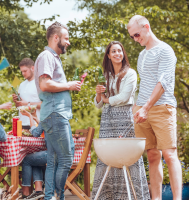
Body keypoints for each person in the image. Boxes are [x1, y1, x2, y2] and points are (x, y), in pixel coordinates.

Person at [127, 15, 181, 199]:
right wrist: (137, 106)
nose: (135, 39)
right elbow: (146, 83)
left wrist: (146, 107)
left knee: (169, 154)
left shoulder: (165, 50)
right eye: (132, 37)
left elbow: (163, 82)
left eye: (136, 34)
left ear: (146, 27)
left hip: (161, 107)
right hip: (142, 109)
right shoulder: (142, 54)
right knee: (152, 155)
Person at [91, 41, 150, 199]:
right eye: (114, 51)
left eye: (120, 51)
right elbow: (98, 104)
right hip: (107, 119)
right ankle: (107, 196)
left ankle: (132, 195)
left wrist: (106, 100)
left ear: (123, 54)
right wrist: (98, 94)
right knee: (107, 156)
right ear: (108, 56)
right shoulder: (106, 76)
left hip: (124, 117)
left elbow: (124, 97)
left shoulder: (130, 73)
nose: (118, 54)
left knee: (127, 156)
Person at [34, 21, 82, 200]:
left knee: (53, 161)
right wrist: (68, 85)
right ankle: (58, 196)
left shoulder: (53, 58)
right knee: (66, 159)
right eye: (66, 38)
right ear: (56, 38)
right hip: (55, 114)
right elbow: (45, 84)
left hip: (54, 114)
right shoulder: (47, 56)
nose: (68, 42)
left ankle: (49, 197)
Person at [20, 109, 47, 200]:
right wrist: (36, 119)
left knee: (27, 159)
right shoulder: (57, 115)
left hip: (52, 154)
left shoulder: (48, 116)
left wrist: (30, 117)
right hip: (64, 154)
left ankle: (26, 192)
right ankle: (38, 191)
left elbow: (35, 133)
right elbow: (46, 126)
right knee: (35, 158)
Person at [12, 58, 42, 129]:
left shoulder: (40, 84)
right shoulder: (22, 85)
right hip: (22, 123)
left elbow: (44, 104)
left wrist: (27, 103)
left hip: (36, 123)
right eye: (22, 71)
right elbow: (18, 106)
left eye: (25, 71)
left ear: (32, 68)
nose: (23, 73)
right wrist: (16, 101)